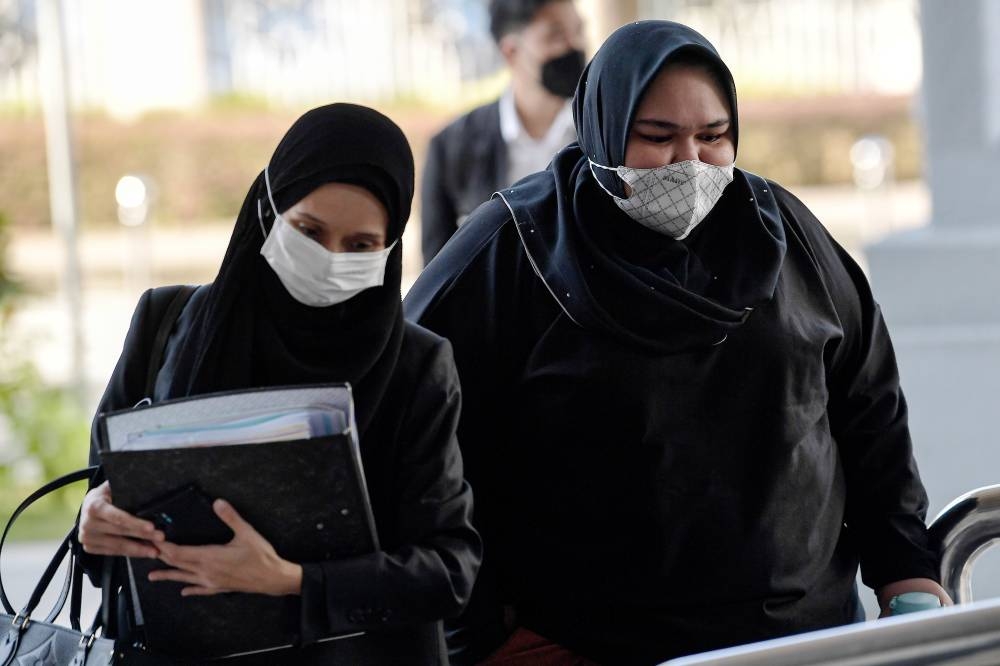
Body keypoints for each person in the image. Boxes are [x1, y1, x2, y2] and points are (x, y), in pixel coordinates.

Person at [405, 21, 951, 666]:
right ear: (603, 128)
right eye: (657, 137)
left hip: (810, 637)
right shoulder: (517, 250)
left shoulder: (785, 237)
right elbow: (418, 429)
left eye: (713, 136)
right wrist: (478, 632)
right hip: (585, 645)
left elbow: (868, 407)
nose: (689, 163)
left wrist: (906, 571)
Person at [76, 103, 482, 664]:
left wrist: (293, 579)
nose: (330, 258)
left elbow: (449, 569)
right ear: (268, 211)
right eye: (309, 230)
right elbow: (104, 499)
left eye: (361, 245)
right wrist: (92, 526)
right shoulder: (165, 324)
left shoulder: (417, 367)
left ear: (389, 248)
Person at [420, 0, 586, 265]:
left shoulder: (602, 134)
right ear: (511, 51)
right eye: (555, 35)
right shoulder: (452, 146)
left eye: (578, 31)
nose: (574, 46)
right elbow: (437, 273)